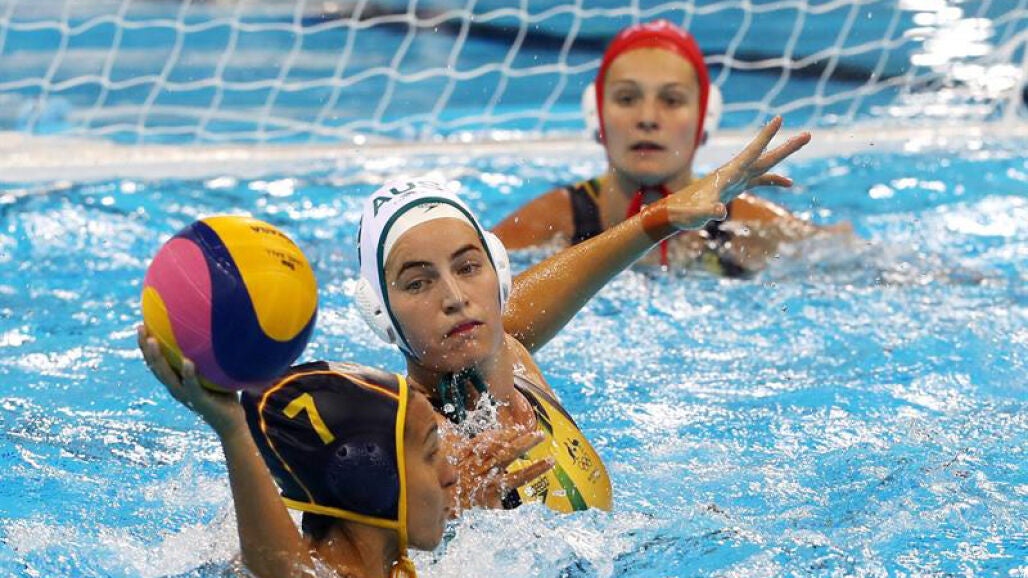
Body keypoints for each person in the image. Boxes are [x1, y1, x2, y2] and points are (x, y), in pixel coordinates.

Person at [140, 116, 809, 577]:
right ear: (382, 314)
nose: (456, 298)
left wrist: (661, 218)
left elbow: (530, 301)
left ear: (498, 275)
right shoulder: (398, 443)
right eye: (418, 282)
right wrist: (232, 430)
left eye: (467, 267)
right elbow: (297, 570)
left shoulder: (510, 356)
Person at [493, 20, 850, 276]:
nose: (648, 118)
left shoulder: (751, 226)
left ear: (704, 118)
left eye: (672, 100)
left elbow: (852, 257)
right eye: (627, 98)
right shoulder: (552, 224)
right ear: (596, 116)